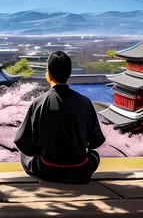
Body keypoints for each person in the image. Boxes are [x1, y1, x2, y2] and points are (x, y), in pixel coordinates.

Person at [14, 51, 106, 184]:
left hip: (47, 168)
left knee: (25, 156)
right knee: (94, 156)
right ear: (69, 73)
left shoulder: (39, 102)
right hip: (81, 168)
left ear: (48, 73)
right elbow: (96, 141)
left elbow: (25, 143)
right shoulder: (85, 102)